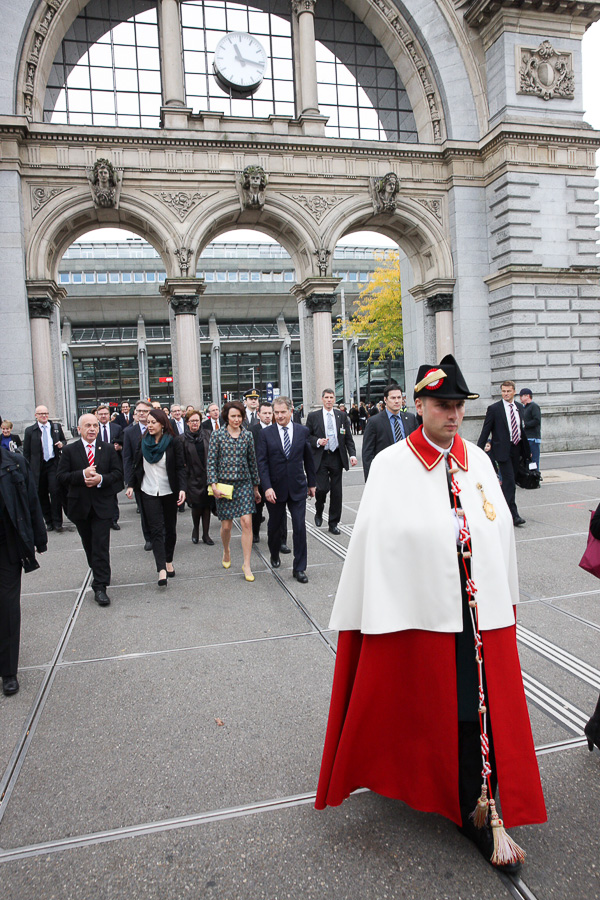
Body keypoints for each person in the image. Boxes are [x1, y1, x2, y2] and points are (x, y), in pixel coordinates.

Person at [316, 354, 546, 873]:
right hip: (419, 614)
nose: (453, 415)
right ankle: (465, 801)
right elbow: (378, 541)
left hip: (476, 616)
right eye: (443, 405)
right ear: (419, 405)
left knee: (476, 707)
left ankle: (476, 795)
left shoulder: (479, 461)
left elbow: (497, 527)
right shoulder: (393, 465)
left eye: (460, 406)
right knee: (432, 706)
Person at [57, 414, 123, 607]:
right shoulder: (70, 451)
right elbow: (61, 477)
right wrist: (82, 475)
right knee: (89, 545)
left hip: (102, 506)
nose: (92, 429)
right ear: (80, 429)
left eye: (95, 425)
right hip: (80, 507)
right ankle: (97, 569)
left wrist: (100, 479)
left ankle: (101, 585)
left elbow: (118, 474)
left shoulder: (108, 449)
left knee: (101, 545)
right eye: (88, 426)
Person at [0, 444, 47, 695]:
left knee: (7, 607)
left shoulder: (15, 463)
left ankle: (8, 671)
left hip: (6, 545)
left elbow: (31, 500)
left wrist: (39, 538)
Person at [256, 396, 316, 584]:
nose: (280, 416)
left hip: (298, 487)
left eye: (283, 412)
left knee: (299, 527)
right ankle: (274, 552)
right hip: (275, 489)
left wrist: (312, 483)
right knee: (274, 527)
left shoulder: (302, 431)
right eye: (276, 412)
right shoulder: (266, 434)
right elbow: (262, 463)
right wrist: (266, 487)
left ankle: (299, 568)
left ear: (291, 411)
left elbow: (308, 459)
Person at [126, 408, 186, 587]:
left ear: (162, 424)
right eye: (148, 422)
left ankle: (168, 561)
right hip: (148, 491)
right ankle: (161, 569)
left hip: (169, 492)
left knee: (170, 529)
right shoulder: (143, 441)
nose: (149, 425)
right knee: (156, 530)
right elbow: (136, 465)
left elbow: (180, 468)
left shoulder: (173, 442)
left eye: (153, 422)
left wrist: (183, 488)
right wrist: (130, 485)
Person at [206, 400, 261, 582]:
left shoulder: (247, 436)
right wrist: (213, 485)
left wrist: (255, 487)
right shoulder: (217, 435)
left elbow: (252, 461)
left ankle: (247, 564)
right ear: (226, 417)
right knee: (226, 526)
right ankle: (226, 549)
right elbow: (211, 462)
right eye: (233, 416)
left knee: (246, 523)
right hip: (224, 486)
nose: (236, 419)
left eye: (239, 416)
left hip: (244, 484)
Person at [477, 381, 531, 526]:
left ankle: (499, 507)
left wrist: (528, 452)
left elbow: (521, 430)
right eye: (503, 391)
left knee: (510, 482)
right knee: (509, 481)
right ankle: (512, 514)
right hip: (502, 450)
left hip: (516, 449)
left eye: (508, 391)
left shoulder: (519, 407)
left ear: (514, 392)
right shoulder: (495, 409)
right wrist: (478, 450)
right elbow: (486, 430)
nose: (505, 394)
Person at [306, 389, 357, 534]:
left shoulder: (341, 416)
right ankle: (319, 508)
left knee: (337, 492)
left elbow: (348, 438)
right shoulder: (313, 416)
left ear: (334, 399)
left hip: (336, 456)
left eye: (331, 397)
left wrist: (352, 454)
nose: (329, 400)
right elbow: (307, 436)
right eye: (326, 397)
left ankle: (333, 523)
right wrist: (317, 441)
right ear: (322, 399)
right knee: (321, 488)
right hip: (321, 457)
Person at [362, 383, 419, 480]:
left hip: (408, 472)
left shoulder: (410, 418)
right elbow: (367, 453)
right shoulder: (374, 422)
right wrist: (370, 480)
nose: (397, 401)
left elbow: (418, 445)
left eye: (399, 397)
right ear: (385, 400)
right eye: (393, 398)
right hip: (385, 474)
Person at [23, 405, 66, 533]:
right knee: (41, 494)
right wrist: (28, 469)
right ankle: (48, 521)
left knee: (55, 492)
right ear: (36, 415)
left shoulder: (55, 427)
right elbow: (26, 452)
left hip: (53, 463)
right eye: (41, 414)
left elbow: (64, 440)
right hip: (38, 466)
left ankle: (58, 521)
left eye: (46, 413)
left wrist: (62, 444)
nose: (44, 416)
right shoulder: (30, 431)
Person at [179, 409, 213, 546]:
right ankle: (196, 530)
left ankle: (206, 534)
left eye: (197, 421)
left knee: (207, 507)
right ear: (187, 422)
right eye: (192, 421)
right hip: (192, 478)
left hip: (207, 477)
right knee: (197, 507)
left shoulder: (208, 434)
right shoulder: (182, 439)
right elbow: (181, 461)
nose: (195, 423)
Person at [122, 400, 153, 550]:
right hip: (139, 478)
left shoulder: (160, 428)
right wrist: (129, 483)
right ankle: (148, 538)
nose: (141, 413)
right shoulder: (129, 432)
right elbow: (127, 458)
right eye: (139, 411)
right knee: (144, 510)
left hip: (157, 476)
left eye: (145, 411)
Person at [96, 404, 124, 530]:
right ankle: (103, 518)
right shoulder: (94, 428)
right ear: (97, 415)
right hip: (98, 464)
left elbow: (123, 442)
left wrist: (119, 448)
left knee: (113, 494)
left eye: (105, 414)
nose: (103, 416)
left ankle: (114, 519)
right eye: (101, 414)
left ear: (109, 415)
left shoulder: (117, 428)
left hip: (113, 464)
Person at [519, 388, 542, 473]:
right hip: (525, 437)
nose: (520, 398)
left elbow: (536, 420)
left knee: (534, 459)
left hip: (533, 438)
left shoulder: (534, 406)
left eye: (521, 396)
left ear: (527, 396)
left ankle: (535, 477)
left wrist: (525, 424)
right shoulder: (523, 408)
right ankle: (528, 477)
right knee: (526, 459)